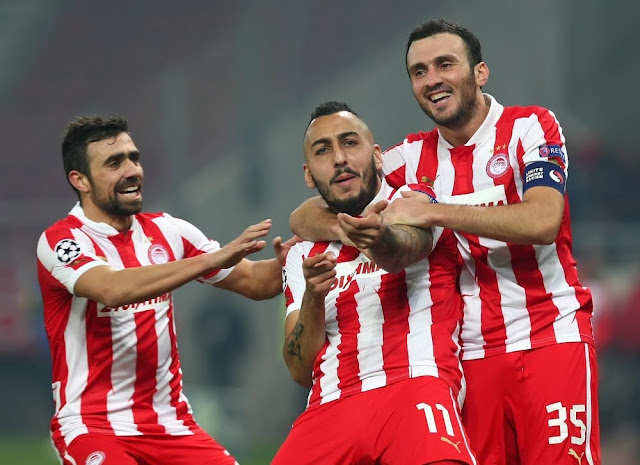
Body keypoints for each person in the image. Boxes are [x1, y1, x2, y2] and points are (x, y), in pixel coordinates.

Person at [290, 19, 600, 465]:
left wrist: (434, 209)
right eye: (419, 72)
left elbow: (543, 221)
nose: (432, 79)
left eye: (445, 64)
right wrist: (347, 229)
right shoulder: (409, 157)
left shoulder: (529, 126)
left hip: (551, 336)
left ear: (479, 72)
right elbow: (303, 216)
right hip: (469, 355)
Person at [36, 115, 292, 465]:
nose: (132, 170)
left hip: (170, 423)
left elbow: (258, 282)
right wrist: (211, 259)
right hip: (92, 426)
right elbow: (112, 289)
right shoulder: (61, 240)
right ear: (79, 180)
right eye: (115, 163)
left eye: (134, 158)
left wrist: (300, 258)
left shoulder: (170, 230)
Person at [272, 101, 477, 465]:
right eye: (323, 150)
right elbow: (299, 369)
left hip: (414, 384)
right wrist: (314, 299)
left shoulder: (414, 201)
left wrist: (377, 237)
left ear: (378, 156)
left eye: (350, 143)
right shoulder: (302, 252)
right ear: (308, 175)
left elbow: (407, 248)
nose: (339, 158)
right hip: (331, 404)